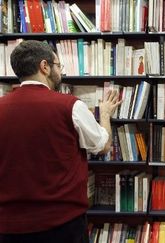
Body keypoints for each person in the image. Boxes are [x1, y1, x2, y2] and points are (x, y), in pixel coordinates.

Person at [0, 40, 121, 243]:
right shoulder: (69, 106)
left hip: (9, 227)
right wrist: (106, 115)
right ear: (44, 66)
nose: (60, 72)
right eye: (58, 66)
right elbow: (103, 146)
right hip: (62, 225)